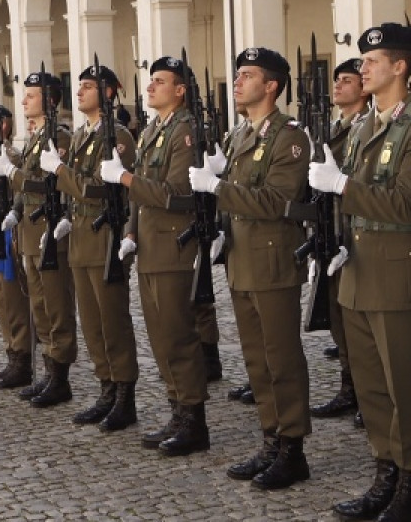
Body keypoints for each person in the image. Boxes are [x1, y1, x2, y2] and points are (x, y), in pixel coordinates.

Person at [309, 23, 411, 520]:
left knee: (404, 386)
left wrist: (342, 186)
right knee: (371, 387)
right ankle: (384, 473)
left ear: (400, 66)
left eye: (371, 61)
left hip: (397, 273)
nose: (361, 68)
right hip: (360, 271)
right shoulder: (367, 123)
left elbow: (409, 203)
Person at [190, 47, 312, 490]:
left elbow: (277, 201)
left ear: (272, 85)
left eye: (247, 75)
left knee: (282, 358)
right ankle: (270, 437)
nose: (237, 82)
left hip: (274, 261)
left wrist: (218, 187)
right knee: (257, 361)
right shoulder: (242, 135)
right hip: (242, 258)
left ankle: (293, 447)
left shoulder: (289, 137)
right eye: (237, 74)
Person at [99, 55, 210, 456]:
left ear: (180, 91)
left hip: (174, 247)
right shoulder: (151, 132)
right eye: (150, 81)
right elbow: (141, 196)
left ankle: (193, 419)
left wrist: (125, 178)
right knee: (161, 339)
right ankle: (177, 410)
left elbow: (177, 195)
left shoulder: (186, 131)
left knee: (178, 336)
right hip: (149, 246)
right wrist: (130, 230)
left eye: (159, 82)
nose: (150, 87)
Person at [39, 63, 140, 432]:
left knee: (112, 320)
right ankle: (106, 389)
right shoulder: (83, 134)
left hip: (106, 236)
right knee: (93, 323)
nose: (79, 92)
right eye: (79, 86)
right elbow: (78, 192)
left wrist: (60, 172)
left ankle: (124, 396)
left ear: (109, 93)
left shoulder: (119, 137)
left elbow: (95, 187)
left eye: (88, 87)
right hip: (81, 235)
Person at [0, 71, 78, 407]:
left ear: (50, 99)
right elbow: (28, 187)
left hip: (48, 229)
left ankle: (60, 378)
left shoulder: (57, 135)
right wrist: (15, 210)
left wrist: (11, 174)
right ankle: (48, 371)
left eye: (31, 95)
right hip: (29, 230)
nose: (24, 100)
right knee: (39, 306)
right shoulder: (35, 137)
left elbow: (44, 184)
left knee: (56, 306)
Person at [309, 58, 369, 423]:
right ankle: (350, 387)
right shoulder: (332, 127)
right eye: (337, 80)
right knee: (337, 317)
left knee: (358, 320)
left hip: (354, 232)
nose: (338, 87)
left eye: (346, 81)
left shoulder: (363, 128)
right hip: (329, 229)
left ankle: (368, 393)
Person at [0, 103, 34, 389]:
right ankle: (11, 355)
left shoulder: (9, 156)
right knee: (0, 299)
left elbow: (18, 197)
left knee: (14, 300)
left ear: (3, 127)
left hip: (8, 235)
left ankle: (22, 359)